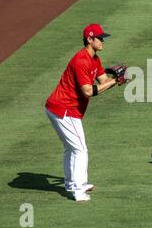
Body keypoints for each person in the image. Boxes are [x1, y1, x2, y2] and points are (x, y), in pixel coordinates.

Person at [45, 23, 121, 201]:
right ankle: (78, 191)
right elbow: (88, 91)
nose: (103, 41)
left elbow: (103, 80)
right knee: (79, 149)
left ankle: (73, 183)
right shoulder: (81, 60)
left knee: (72, 148)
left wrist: (116, 80)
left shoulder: (94, 59)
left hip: (66, 109)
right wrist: (113, 81)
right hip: (63, 109)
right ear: (89, 39)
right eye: (100, 38)